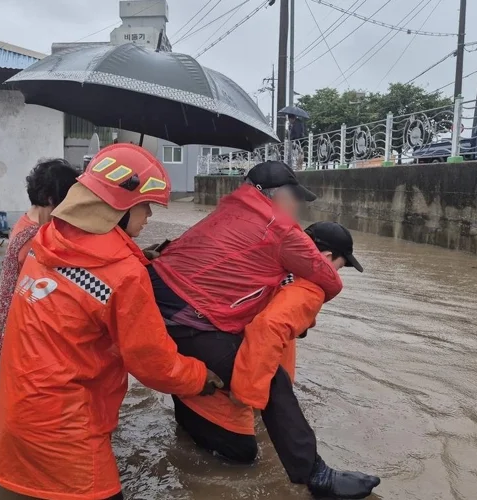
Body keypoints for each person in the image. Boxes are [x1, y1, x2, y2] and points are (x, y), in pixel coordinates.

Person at [0, 143, 223, 500]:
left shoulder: (45, 241)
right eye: (145, 206)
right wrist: (198, 377)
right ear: (120, 207)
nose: (149, 217)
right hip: (68, 428)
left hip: (16, 418)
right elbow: (152, 362)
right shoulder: (123, 274)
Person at [147, 162, 376, 498]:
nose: (297, 208)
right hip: (188, 323)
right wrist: (250, 394)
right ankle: (316, 475)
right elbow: (273, 328)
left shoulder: (231, 219)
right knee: (258, 418)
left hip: (163, 316)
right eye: (294, 198)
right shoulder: (285, 240)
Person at [0, 158, 79, 430]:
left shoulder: (26, 222)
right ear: (49, 198)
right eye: (66, 199)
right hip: (18, 324)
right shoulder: (36, 238)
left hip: (8, 318)